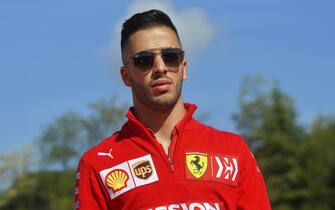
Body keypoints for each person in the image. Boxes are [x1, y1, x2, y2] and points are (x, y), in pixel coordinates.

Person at [75, 9, 271, 210]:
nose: (160, 67)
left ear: (183, 67)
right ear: (126, 75)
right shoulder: (97, 165)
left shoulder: (233, 150)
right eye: (144, 60)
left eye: (170, 56)